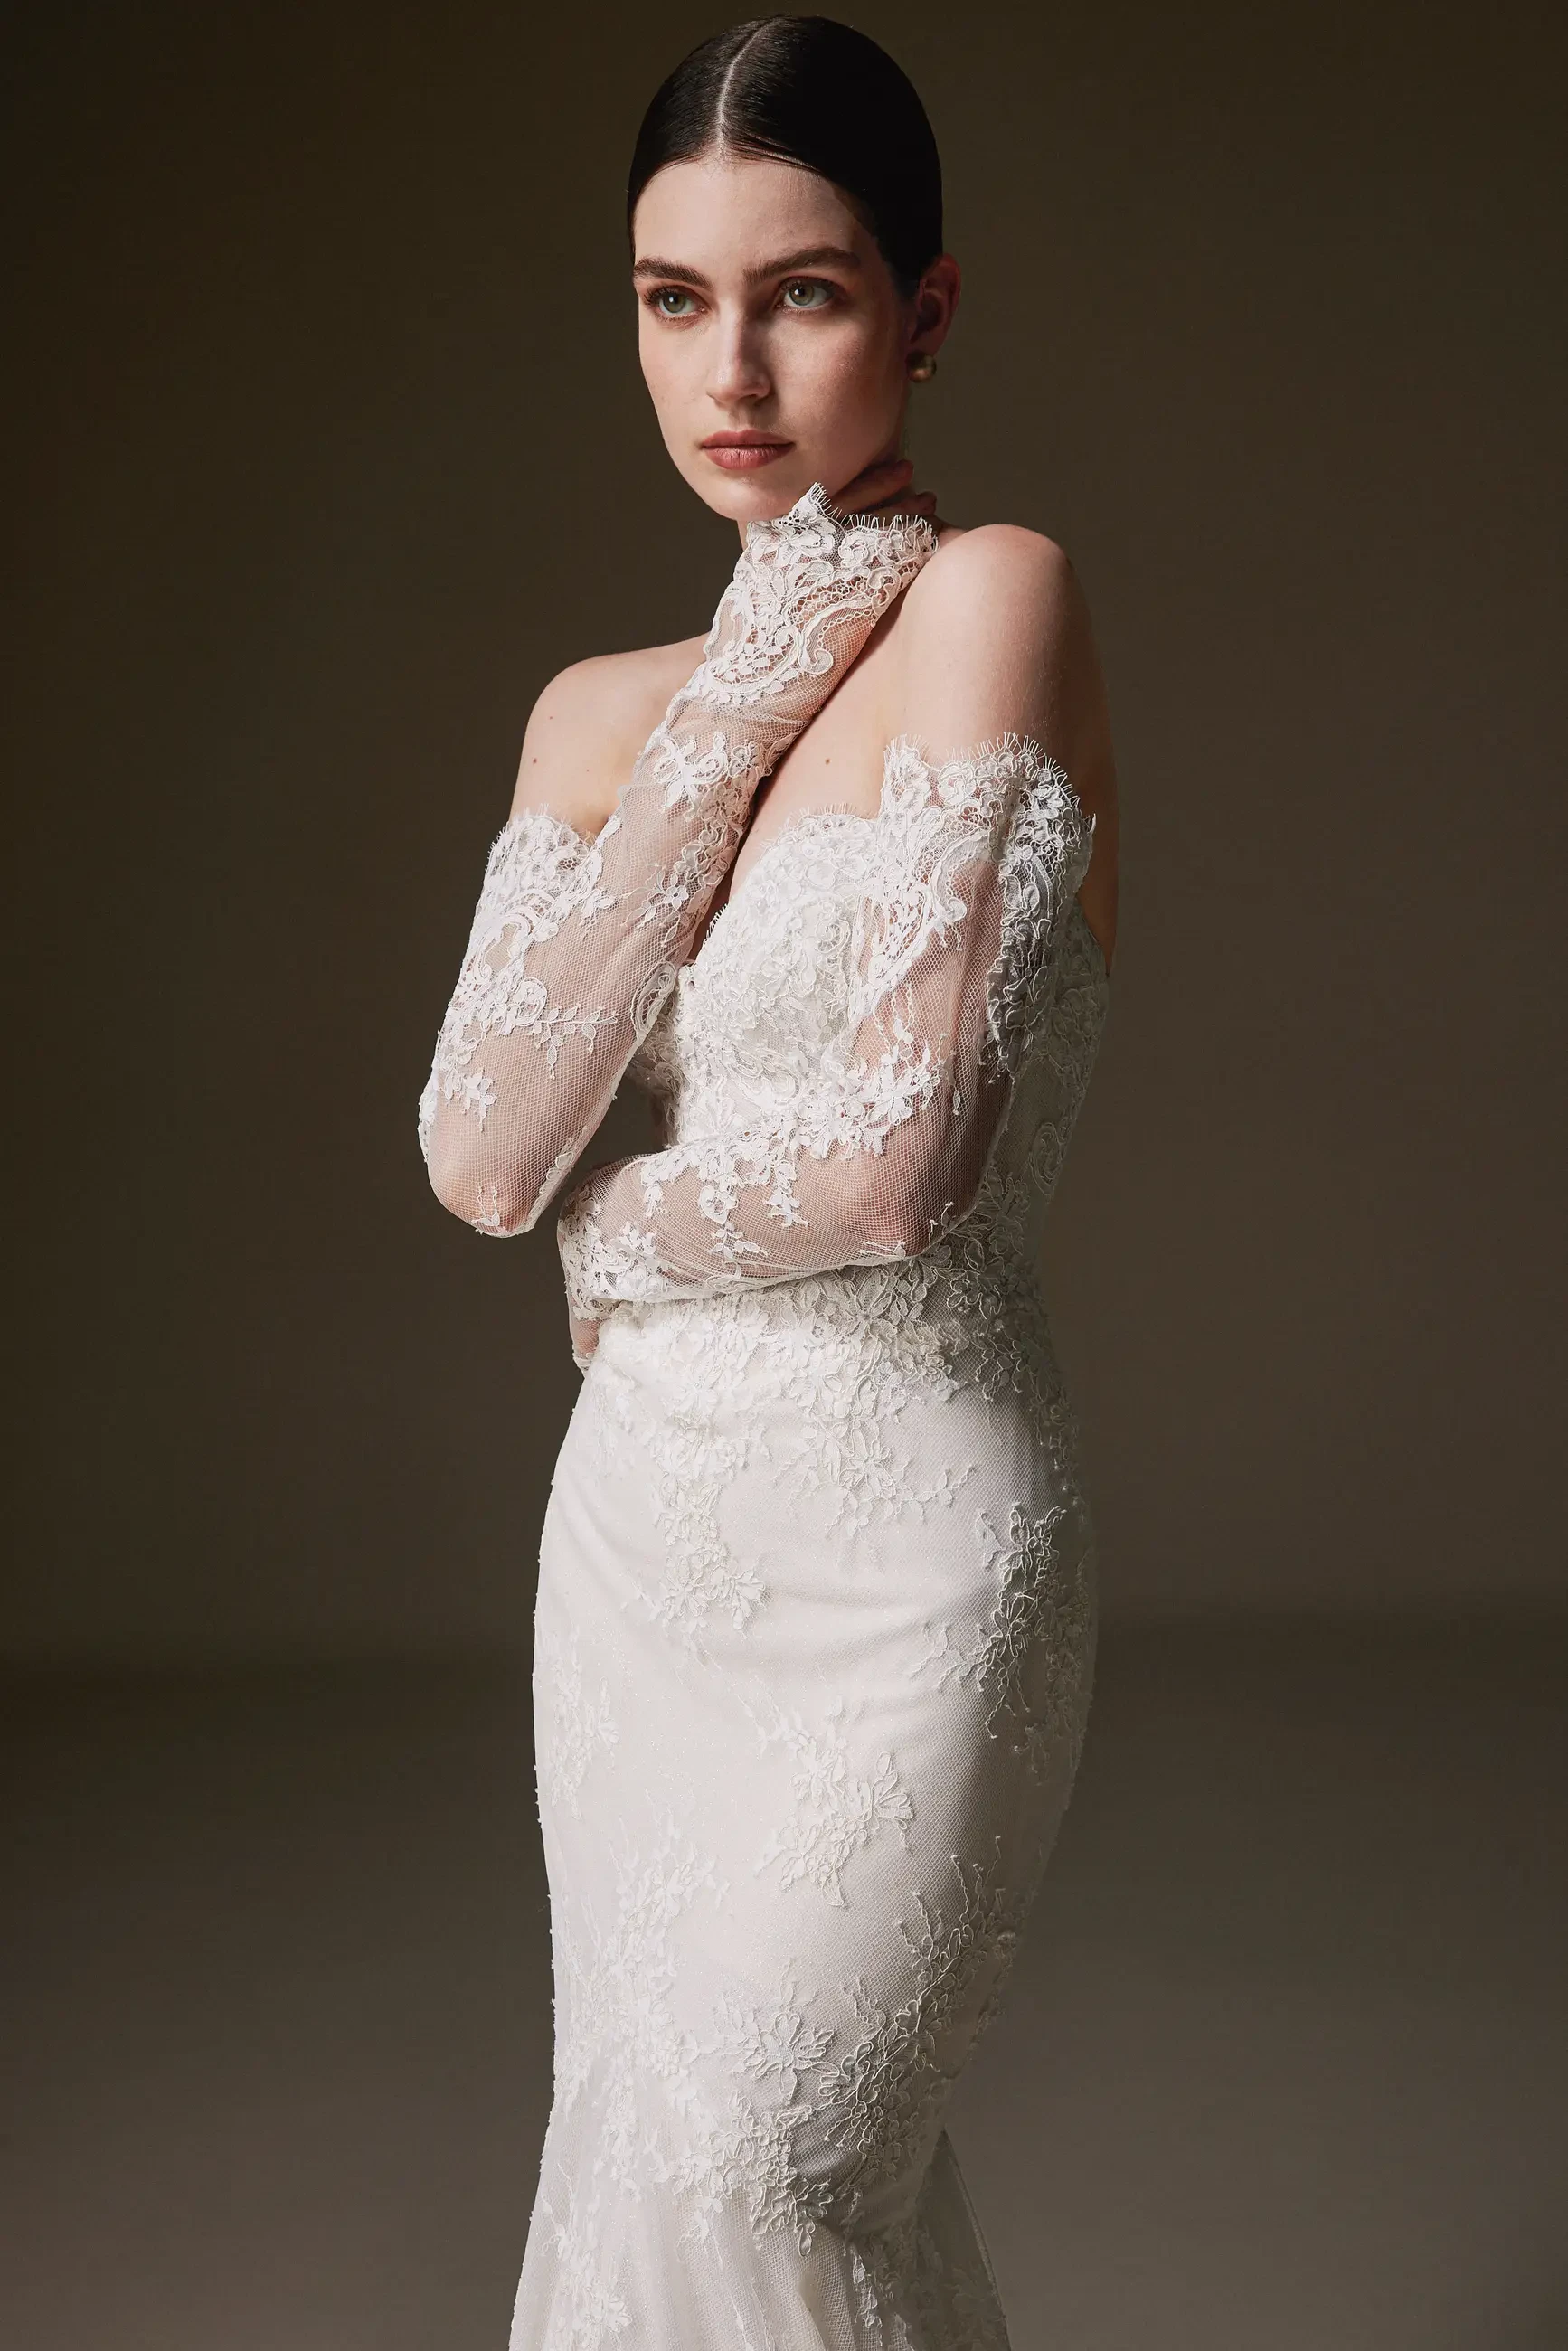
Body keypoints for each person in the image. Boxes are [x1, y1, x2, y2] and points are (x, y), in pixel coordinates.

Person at [418, 16, 1119, 2345]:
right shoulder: (602, 714)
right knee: (647, 2164)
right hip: (643, 1545)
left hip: (914, 1542)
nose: (729, 368)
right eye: (670, 297)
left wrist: (643, 1227)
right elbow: (489, 1150)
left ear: (925, 308)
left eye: (802, 294)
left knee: (767, 2157)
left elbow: (909, 1161)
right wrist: (732, 695)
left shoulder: (993, 601)